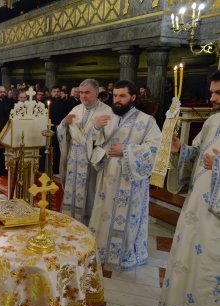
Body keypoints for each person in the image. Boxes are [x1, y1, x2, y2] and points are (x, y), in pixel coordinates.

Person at [154, 70, 220, 306]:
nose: (212, 98)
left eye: (218, 93)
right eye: (212, 92)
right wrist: (181, 150)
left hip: (215, 218)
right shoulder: (213, 122)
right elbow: (197, 156)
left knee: (208, 267)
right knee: (188, 260)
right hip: (196, 208)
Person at [88, 80, 162, 270]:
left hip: (131, 180)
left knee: (127, 218)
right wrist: (95, 128)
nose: (117, 100)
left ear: (133, 97)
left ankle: (125, 253)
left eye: (122, 96)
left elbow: (155, 149)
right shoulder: (106, 117)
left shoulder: (147, 121)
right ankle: (102, 249)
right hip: (107, 177)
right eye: (115, 96)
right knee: (104, 212)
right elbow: (93, 144)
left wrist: (127, 150)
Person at [57, 79, 112, 225]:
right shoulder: (76, 109)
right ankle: (70, 223)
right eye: (81, 93)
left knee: (90, 193)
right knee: (72, 192)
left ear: (96, 93)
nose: (83, 96)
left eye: (87, 92)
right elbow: (63, 133)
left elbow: (107, 140)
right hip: (73, 159)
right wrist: (63, 124)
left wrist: (96, 130)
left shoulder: (106, 111)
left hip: (90, 162)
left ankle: (88, 226)